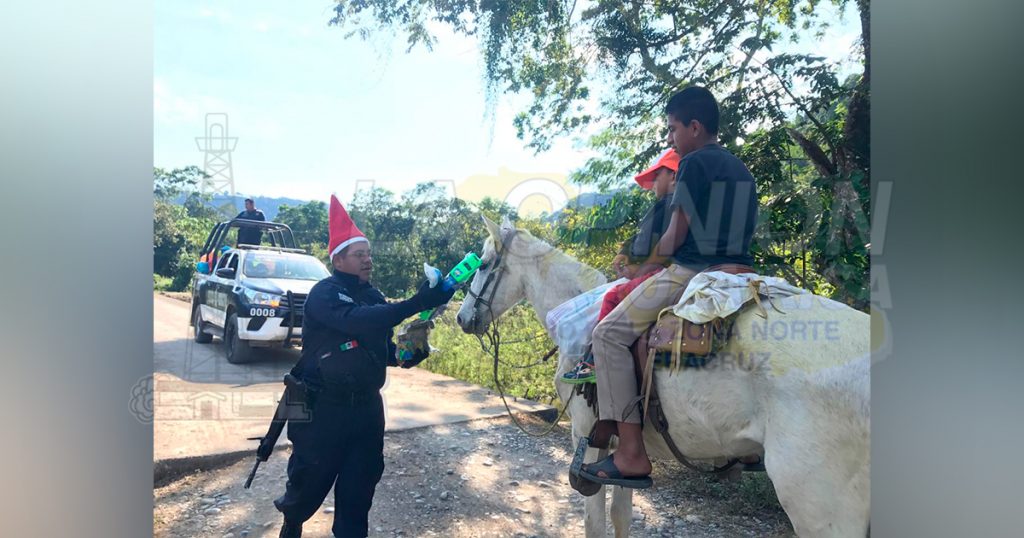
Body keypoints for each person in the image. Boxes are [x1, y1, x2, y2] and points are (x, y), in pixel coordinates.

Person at [576, 86, 759, 489]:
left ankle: (630, 453)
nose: (671, 139)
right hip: (742, 273)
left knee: (607, 334)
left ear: (694, 127)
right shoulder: (741, 169)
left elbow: (676, 237)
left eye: (673, 128)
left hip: (693, 272)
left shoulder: (694, 163)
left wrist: (645, 267)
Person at [274, 195, 455, 537]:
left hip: (367, 412)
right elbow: (357, 322)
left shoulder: (373, 295)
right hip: (322, 409)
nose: (367, 260)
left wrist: (410, 352)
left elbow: (384, 350)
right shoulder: (324, 294)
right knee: (307, 483)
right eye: (360, 254)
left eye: (369, 253)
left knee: (359, 492)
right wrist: (417, 301)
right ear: (338, 259)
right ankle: (291, 525)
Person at [560, 148, 680, 384]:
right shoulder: (672, 206)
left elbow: (655, 246)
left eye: (657, 177)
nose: (653, 183)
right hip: (663, 269)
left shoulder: (667, 207)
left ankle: (593, 360)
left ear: (673, 175)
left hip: (661, 273)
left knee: (612, 296)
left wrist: (637, 267)